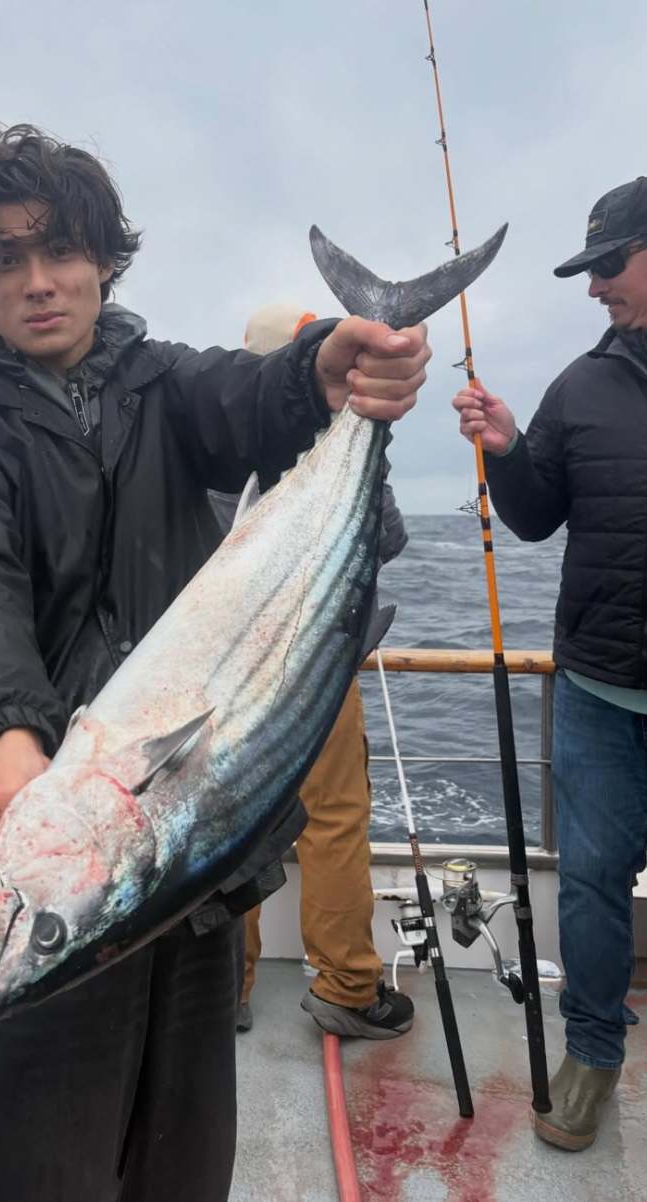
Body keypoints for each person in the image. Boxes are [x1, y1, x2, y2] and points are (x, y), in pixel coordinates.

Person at [0, 120, 432, 1202]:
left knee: (183, 1153)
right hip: (48, 825)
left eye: (61, 250)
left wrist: (323, 367)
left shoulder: (164, 386)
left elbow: (252, 397)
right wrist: (4, 726)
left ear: (104, 258)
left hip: (191, 854)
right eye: (5, 259)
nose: (39, 282)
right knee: (28, 1163)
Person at [452, 175, 647, 1152]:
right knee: (589, 883)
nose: (593, 289)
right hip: (597, 691)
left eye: (608, 265)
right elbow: (534, 515)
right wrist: (502, 449)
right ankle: (592, 1053)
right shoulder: (580, 384)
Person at [214, 304, 414, 1041]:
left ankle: (223, 990)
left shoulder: (214, 442)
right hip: (321, 665)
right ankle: (344, 987)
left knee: (226, 828)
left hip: (226, 679)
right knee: (331, 822)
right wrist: (366, 451)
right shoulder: (336, 434)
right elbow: (385, 542)